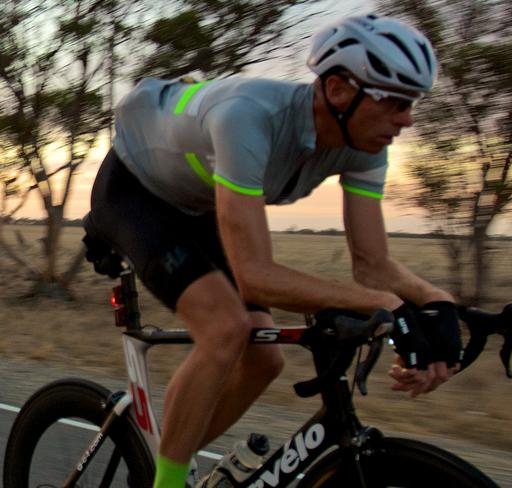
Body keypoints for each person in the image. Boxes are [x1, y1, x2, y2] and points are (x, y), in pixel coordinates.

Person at [87, 13, 462, 488]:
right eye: (395, 101)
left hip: (198, 204)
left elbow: (372, 265)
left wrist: (436, 300)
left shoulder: (366, 144)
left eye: (412, 103)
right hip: (135, 193)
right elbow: (256, 277)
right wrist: (385, 305)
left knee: (264, 359)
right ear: (340, 90)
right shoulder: (248, 116)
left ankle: (171, 460)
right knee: (225, 329)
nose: (407, 119)